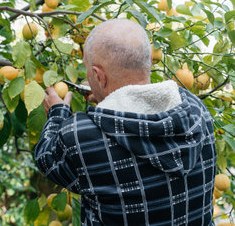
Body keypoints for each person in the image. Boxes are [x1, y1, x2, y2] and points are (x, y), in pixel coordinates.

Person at [35, 19, 217, 225]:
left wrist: (57, 113)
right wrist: (108, 97)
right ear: (147, 62)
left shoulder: (82, 136)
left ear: (98, 76)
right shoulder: (196, 110)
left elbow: (47, 159)